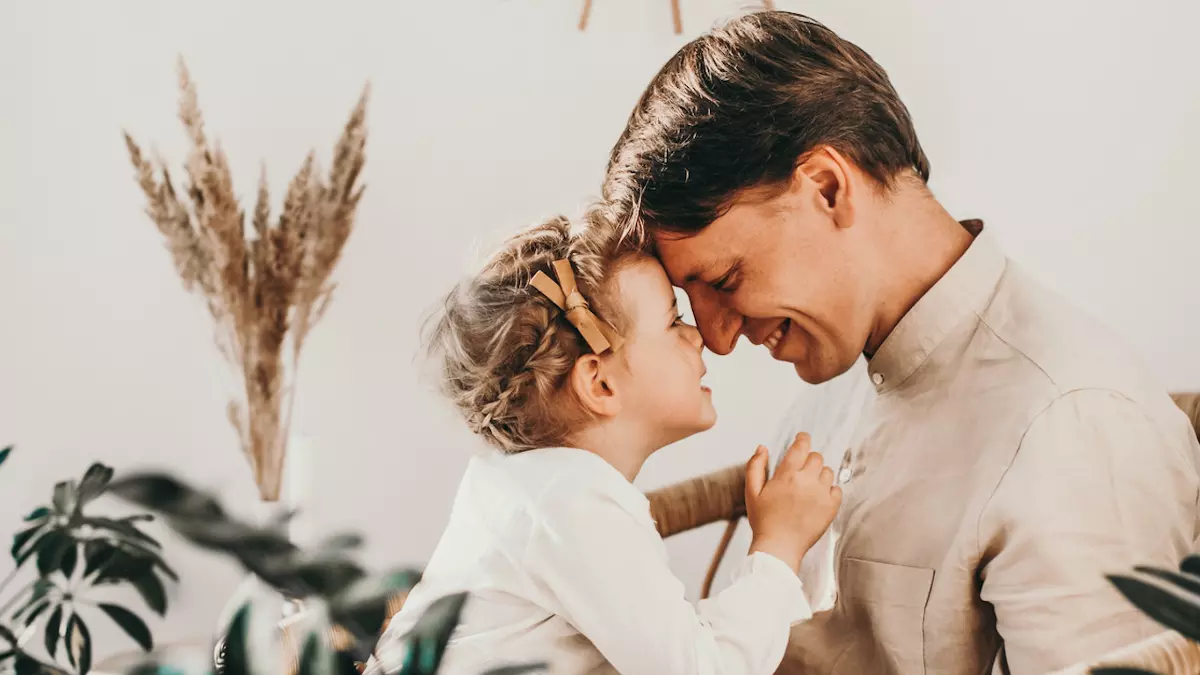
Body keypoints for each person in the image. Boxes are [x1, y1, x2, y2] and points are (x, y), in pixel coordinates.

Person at [598, 10, 1200, 674]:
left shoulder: (1073, 421)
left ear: (828, 188)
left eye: (726, 279)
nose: (714, 336)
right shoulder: (836, 375)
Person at [368, 215, 841, 675]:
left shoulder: (532, 490)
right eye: (673, 321)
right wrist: (779, 547)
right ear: (600, 384)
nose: (697, 336)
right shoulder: (573, 503)